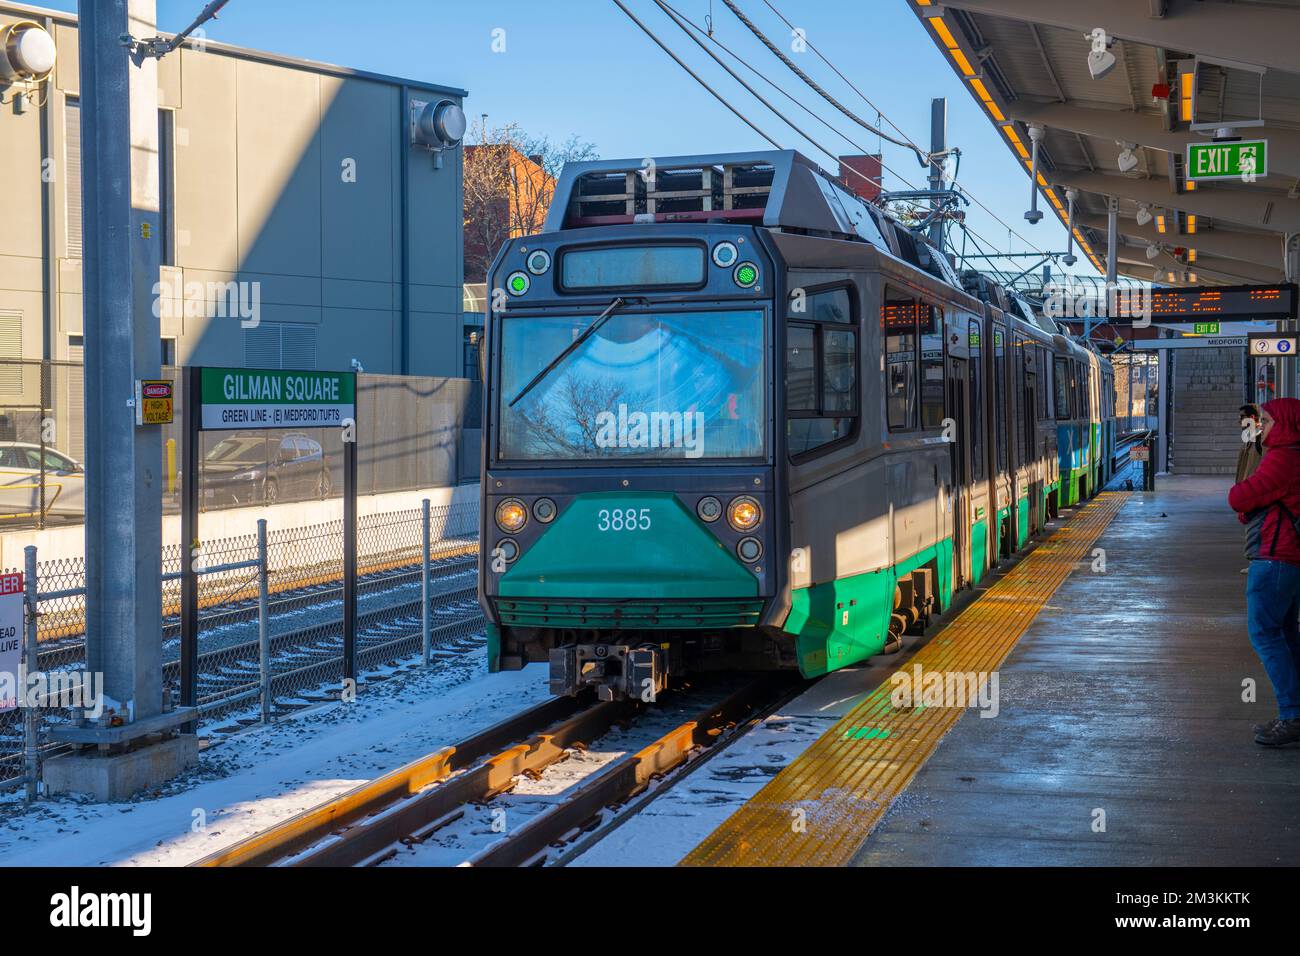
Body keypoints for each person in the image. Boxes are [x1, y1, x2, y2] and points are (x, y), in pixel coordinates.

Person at [1228, 398, 1300, 746]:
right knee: (1286, 635)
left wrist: (1247, 501)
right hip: (1288, 557)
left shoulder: (1284, 457)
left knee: (1265, 635)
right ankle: (1294, 713)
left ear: (1285, 424)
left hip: (1275, 558)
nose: (1262, 426)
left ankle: (1292, 715)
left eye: (1268, 420)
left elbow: (1240, 497)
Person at [1236, 404, 1263, 482]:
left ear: (1252, 418)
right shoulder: (1247, 441)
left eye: (1242, 417)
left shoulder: (1262, 440)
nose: (1239, 421)